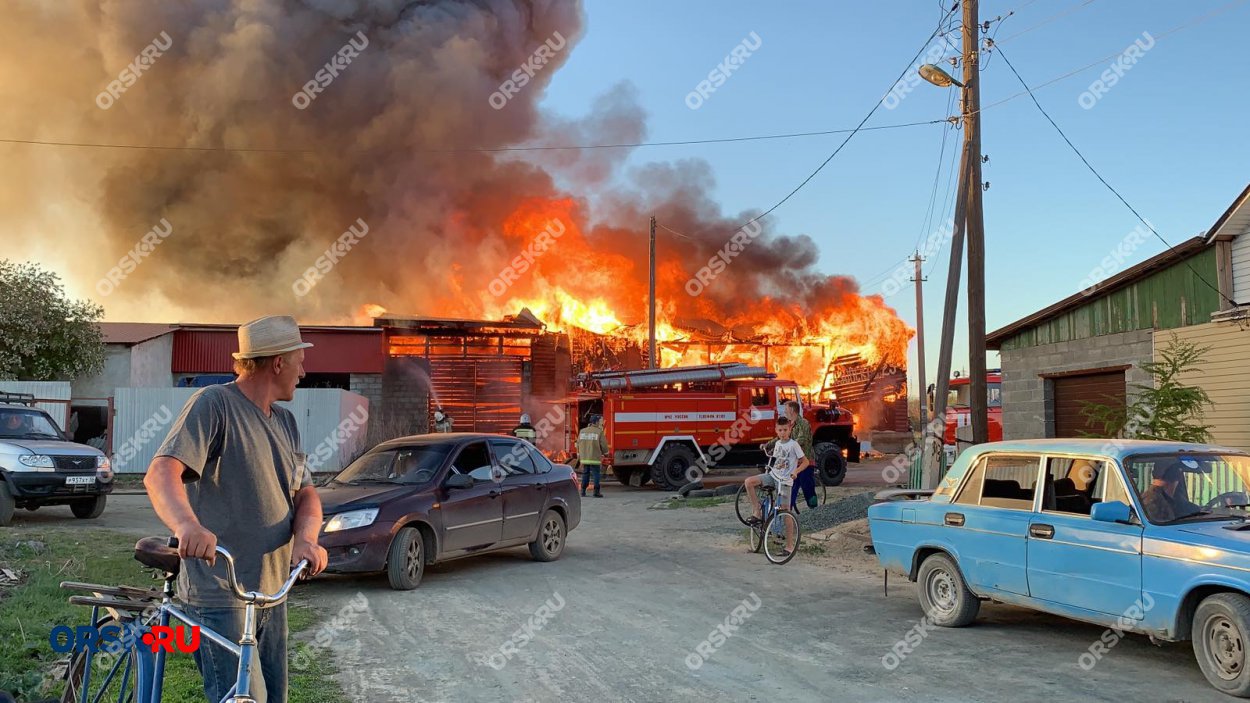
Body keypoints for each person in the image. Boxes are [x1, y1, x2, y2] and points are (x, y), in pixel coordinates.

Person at [144, 315, 329, 703]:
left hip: (271, 594)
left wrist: (306, 539)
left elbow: (306, 494)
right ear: (278, 362)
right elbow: (161, 472)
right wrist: (186, 525)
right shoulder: (214, 404)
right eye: (299, 360)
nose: (304, 370)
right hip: (221, 595)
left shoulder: (286, 422)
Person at [744, 416, 808, 555]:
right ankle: (757, 511)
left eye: (785, 430)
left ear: (790, 429)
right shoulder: (778, 443)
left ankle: (789, 546)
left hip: (785, 481)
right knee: (749, 482)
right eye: (780, 430)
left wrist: (796, 471)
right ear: (776, 430)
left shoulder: (794, 445)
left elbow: (805, 462)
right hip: (773, 476)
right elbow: (778, 460)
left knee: (786, 513)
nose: (783, 432)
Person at [767, 401, 816, 510]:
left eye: (786, 410)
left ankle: (815, 510)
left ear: (792, 411)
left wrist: (789, 446)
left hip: (805, 462)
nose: (784, 412)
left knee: (808, 488)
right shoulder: (789, 424)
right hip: (793, 464)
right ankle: (788, 512)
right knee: (791, 489)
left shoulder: (803, 423)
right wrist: (768, 445)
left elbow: (802, 439)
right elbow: (780, 438)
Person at [576, 414, 609, 498]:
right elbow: (604, 445)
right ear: (596, 422)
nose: (600, 423)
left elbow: (578, 444)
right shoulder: (599, 432)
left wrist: (579, 455)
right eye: (599, 421)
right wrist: (606, 453)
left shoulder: (582, 431)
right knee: (596, 474)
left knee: (585, 474)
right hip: (594, 458)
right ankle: (596, 492)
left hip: (584, 458)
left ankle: (583, 491)